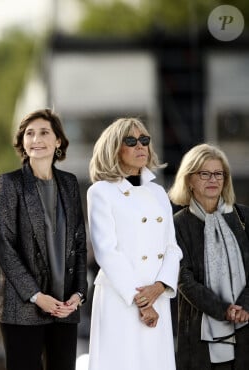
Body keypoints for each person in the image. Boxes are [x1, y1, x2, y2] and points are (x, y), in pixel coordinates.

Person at [0, 108, 88, 370]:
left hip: (65, 308)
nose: (36, 139)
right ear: (22, 142)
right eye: (29, 134)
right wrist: (36, 296)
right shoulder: (9, 184)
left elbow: (79, 243)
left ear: (58, 141)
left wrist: (78, 294)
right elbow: (6, 248)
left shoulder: (69, 184)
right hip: (23, 310)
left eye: (44, 132)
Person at [86, 118, 182, 370]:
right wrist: (141, 300)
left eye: (144, 140)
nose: (140, 146)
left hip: (157, 296)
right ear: (115, 148)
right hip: (122, 297)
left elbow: (172, 248)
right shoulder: (101, 192)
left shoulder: (159, 192)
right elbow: (106, 251)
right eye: (131, 140)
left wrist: (160, 287)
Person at [168, 143, 249, 370]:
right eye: (204, 174)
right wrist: (224, 310)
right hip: (199, 332)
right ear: (189, 180)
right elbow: (183, 278)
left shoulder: (243, 217)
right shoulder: (177, 224)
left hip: (245, 328)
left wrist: (243, 307)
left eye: (218, 174)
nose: (212, 180)